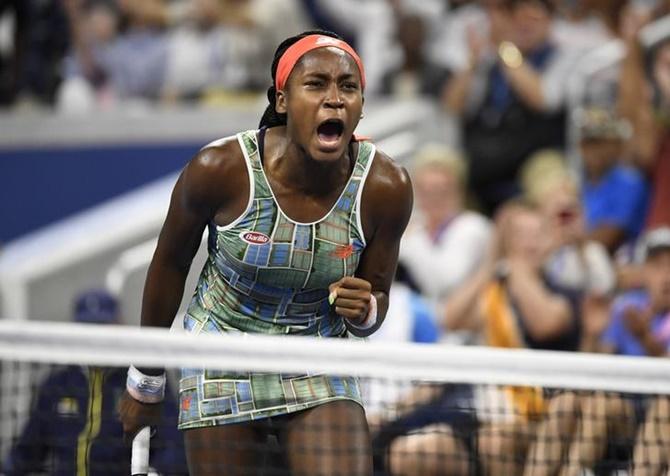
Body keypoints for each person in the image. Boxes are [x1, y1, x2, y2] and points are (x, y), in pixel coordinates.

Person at [119, 30, 413, 476]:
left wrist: (366, 309)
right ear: (281, 100)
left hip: (317, 353)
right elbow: (169, 265)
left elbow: (377, 297)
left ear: (361, 104)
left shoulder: (386, 188)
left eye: (347, 86)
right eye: (316, 84)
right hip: (222, 351)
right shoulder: (220, 170)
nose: (334, 99)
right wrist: (145, 383)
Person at [3, 289, 187, 476]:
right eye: (88, 327)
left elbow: (174, 445)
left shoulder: (144, 381)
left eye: (102, 326)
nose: (95, 337)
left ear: (119, 325)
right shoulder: (57, 385)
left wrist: (158, 472)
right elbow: (25, 453)